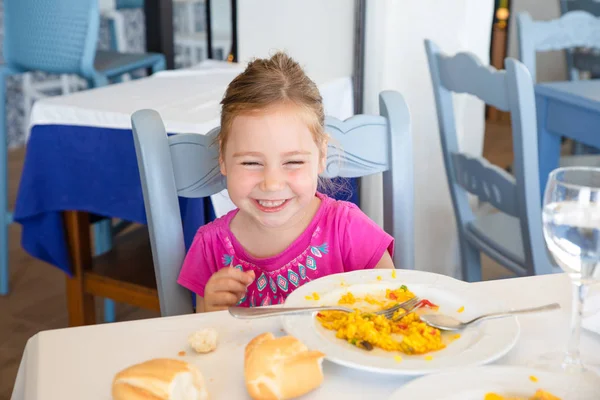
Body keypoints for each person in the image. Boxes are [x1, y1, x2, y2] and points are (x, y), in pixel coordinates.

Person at [177, 52, 395, 312]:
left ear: (321, 155)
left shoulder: (349, 231)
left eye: (293, 162)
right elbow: (203, 339)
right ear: (223, 157)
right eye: (251, 163)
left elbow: (395, 307)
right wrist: (211, 310)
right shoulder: (209, 248)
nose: (272, 184)